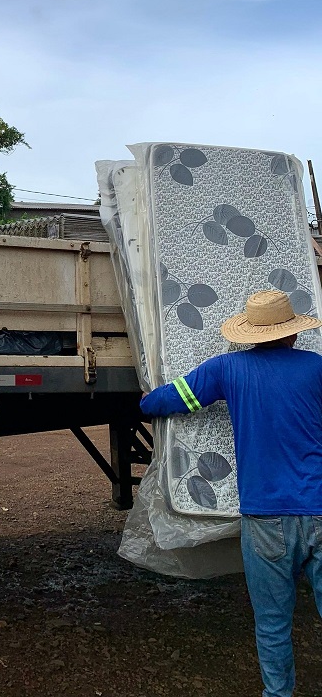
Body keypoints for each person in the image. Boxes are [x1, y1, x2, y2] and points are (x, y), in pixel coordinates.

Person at [141, 289, 322, 697]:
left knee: (273, 623)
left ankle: (278, 693)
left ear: (251, 335)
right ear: (294, 334)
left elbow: (175, 398)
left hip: (265, 521)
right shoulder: (316, 368)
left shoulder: (228, 369)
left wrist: (147, 401)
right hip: (320, 507)